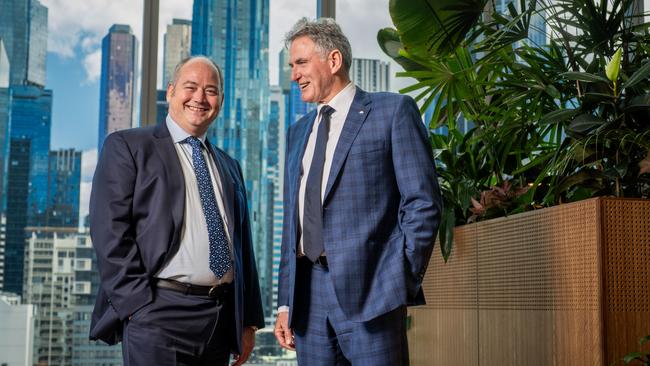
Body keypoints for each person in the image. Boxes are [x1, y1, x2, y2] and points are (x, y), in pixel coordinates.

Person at [274, 18, 442, 365]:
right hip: (308, 300)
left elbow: (423, 203)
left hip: (373, 292)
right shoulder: (297, 133)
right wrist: (285, 303)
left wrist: (396, 280)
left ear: (333, 61)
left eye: (301, 63)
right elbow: (293, 225)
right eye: (292, 66)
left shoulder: (392, 111)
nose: (294, 75)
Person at [89, 56, 265, 366]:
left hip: (220, 319)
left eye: (211, 90)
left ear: (221, 101)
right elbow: (110, 232)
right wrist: (137, 305)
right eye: (190, 87)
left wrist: (248, 321)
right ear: (171, 92)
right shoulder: (128, 147)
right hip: (158, 313)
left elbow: (244, 250)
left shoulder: (229, 166)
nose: (200, 97)